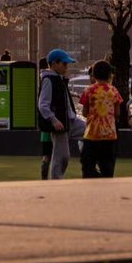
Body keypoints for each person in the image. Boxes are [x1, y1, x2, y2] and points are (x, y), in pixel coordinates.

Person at [37, 48, 79, 180]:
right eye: (64, 64)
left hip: (69, 120)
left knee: (92, 132)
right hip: (60, 123)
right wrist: (54, 120)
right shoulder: (49, 80)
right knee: (62, 156)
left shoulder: (58, 79)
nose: (66, 67)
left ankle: (91, 164)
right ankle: (56, 183)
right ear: (54, 64)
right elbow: (42, 104)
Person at [79, 60, 124, 178]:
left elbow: (84, 113)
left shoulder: (88, 90)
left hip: (92, 135)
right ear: (109, 75)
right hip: (109, 136)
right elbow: (118, 113)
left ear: (93, 74)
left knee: (87, 167)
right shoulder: (114, 91)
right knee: (107, 168)